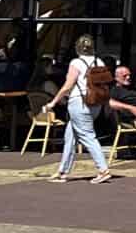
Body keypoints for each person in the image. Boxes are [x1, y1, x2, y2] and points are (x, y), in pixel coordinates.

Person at [49, 36, 116, 184]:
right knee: (70, 137)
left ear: (77, 48)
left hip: (79, 103)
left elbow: (68, 86)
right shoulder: (100, 62)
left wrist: (53, 102)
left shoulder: (76, 63)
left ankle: (103, 170)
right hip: (95, 103)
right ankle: (63, 171)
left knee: (87, 136)